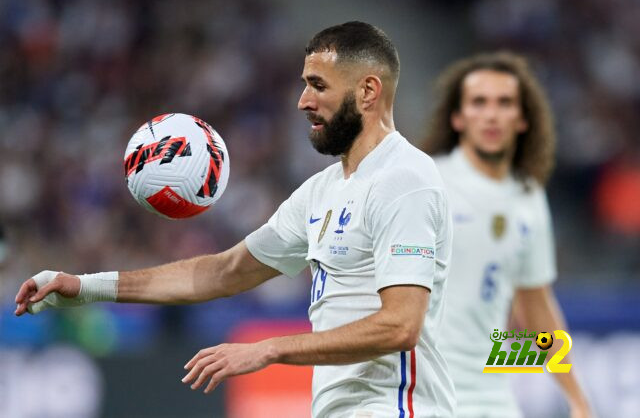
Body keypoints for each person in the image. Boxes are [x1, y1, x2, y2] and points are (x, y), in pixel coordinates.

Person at [15, 22, 456, 417]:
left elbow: (401, 325)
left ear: (368, 91)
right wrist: (84, 286)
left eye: (318, 86)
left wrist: (269, 349)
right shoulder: (322, 190)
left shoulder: (405, 179)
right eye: (304, 85)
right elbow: (222, 272)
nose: (303, 101)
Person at [423, 51, 591, 417]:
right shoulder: (427, 183)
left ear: (522, 119)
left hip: (494, 395)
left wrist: (575, 396)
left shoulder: (529, 196)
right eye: (479, 102)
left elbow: (536, 305)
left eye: (505, 103)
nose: (492, 114)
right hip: (424, 395)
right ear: (458, 117)